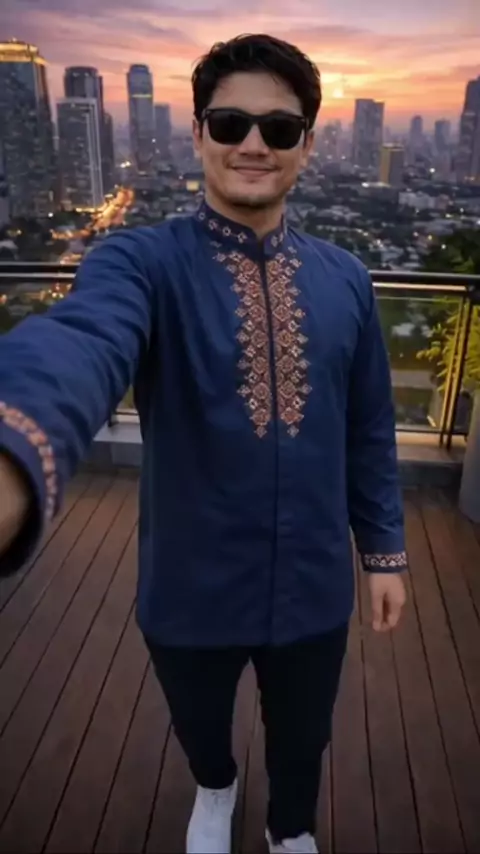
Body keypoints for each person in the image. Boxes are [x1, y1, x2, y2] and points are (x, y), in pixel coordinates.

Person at [0, 34, 407, 854]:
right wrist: (13, 442)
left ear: (307, 145)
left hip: (314, 579)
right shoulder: (141, 263)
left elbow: (368, 425)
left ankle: (290, 827)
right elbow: (81, 342)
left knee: (305, 731)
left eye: (279, 129)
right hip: (191, 580)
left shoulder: (347, 279)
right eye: (229, 123)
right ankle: (216, 789)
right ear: (198, 134)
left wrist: (384, 552)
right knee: (198, 718)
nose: (253, 144)